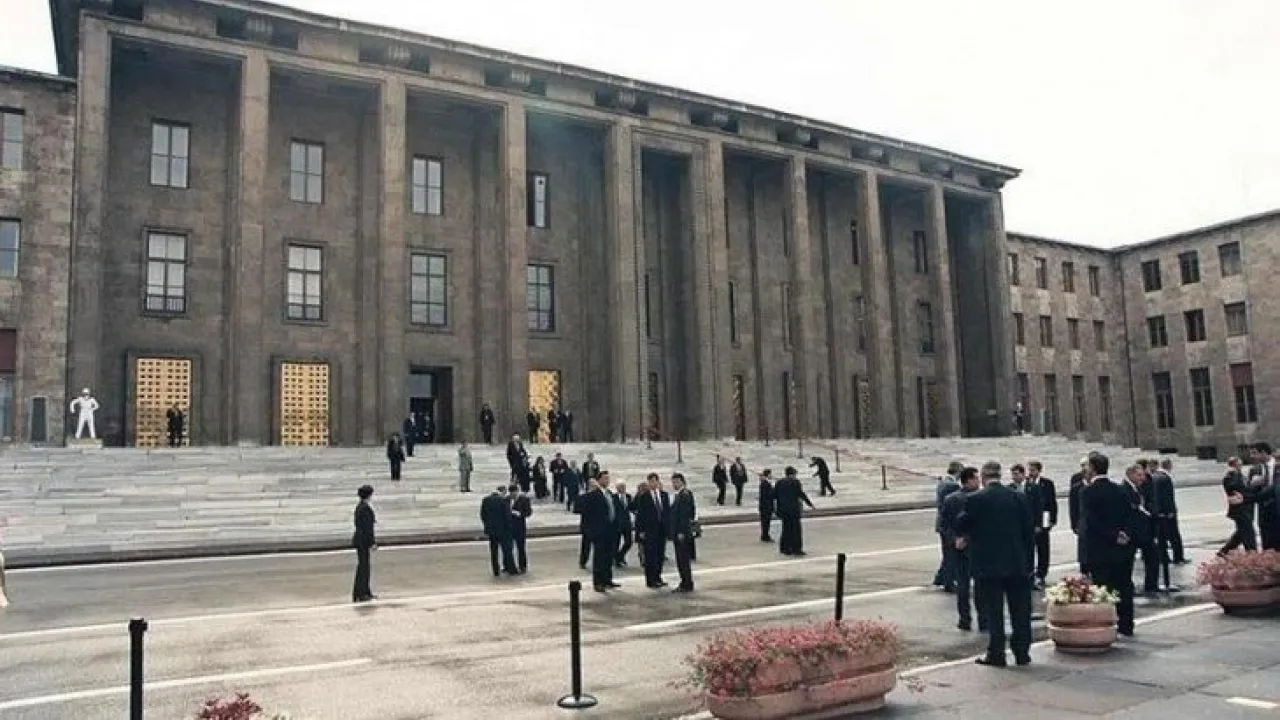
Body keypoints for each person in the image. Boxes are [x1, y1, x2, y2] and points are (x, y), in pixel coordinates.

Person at [955, 461, 1033, 667]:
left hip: (988, 564)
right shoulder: (1018, 497)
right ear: (1000, 476)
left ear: (982, 477)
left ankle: (997, 653)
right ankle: (1022, 652)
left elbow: (962, 524)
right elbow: (1028, 532)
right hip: (1016, 562)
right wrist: (1028, 562)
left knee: (994, 611)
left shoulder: (975, 499)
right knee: (1020, 610)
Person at [1082, 455, 1138, 637]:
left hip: (1100, 548)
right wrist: (1124, 533)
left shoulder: (1088, 492)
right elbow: (1131, 514)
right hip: (1122, 547)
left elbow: (1092, 522)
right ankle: (1126, 624)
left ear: (1093, 468)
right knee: (1124, 586)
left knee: (1103, 589)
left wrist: (1113, 535)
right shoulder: (1120, 489)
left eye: (1087, 466)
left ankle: (1105, 624)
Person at [940, 466, 984, 631]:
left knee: (964, 586)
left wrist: (955, 539)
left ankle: (965, 619)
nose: (979, 481)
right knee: (977, 587)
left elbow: (944, 526)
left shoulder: (950, 499)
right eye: (976, 478)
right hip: (975, 547)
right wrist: (963, 538)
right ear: (969, 480)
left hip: (959, 547)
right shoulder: (978, 498)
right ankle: (982, 619)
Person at [581, 472, 620, 592]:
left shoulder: (610, 494)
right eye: (604, 478)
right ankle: (598, 582)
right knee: (599, 557)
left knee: (609, 556)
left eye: (608, 478)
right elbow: (586, 512)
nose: (607, 481)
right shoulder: (593, 495)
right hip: (599, 531)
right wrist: (590, 530)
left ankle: (607, 579)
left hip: (610, 530)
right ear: (598, 480)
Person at [1026, 460, 1058, 588]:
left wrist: (1052, 519)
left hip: (1044, 517)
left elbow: (1052, 502)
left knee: (1043, 548)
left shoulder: (1047, 483)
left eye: (1033, 470)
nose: (1030, 472)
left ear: (1039, 471)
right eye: (1029, 470)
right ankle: (1030, 573)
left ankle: (1042, 573)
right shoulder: (1026, 483)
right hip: (1030, 521)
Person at [932, 463, 963, 590]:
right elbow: (954, 506)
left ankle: (941, 577)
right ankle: (948, 581)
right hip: (949, 524)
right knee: (951, 554)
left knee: (947, 552)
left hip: (941, 523)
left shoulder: (942, 483)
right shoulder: (953, 485)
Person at [634, 474, 668, 588]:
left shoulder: (664, 495)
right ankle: (650, 580)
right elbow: (640, 515)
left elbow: (667, 512)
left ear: (658, 482)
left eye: (654, 481)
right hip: (649, 530)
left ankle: (658, 577)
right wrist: (641, 531)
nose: (652, 483)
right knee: (650, 556)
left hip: (661, 530)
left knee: (660, 555)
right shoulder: (644, 497)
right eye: (650, 481)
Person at [1219, 456, 1257, 555]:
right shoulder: (1230, 477)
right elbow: (1232, 487)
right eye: (1239, 464)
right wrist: (1234, 473)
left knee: (1241, 532)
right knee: (1248, 532)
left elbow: (1247, 488)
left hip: (1246, 507)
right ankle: (1252, 551)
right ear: (1234, 465)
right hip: (1239, 509)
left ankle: (1225, 551)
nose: (1240, 466)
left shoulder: (1240, 475)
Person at [774, 466, 815, 556]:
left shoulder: (779, 482)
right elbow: (801, 494)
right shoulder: (795, 482)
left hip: (783, 510)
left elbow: (775, 495)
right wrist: (809, 503)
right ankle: (796, 548)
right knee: (796, 530)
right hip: (793, 510)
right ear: (793, 474)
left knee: (786, 529)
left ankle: (785, 548)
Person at [480, 486, 518, 577]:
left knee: (494, 551)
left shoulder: (486, 500)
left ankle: (495, 570)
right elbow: (507, 516)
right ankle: (511, 569)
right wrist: (510, 527)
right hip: (503, 530)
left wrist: (487, 525)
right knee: (507, 550)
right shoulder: (503, 501)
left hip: (491, 530)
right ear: (503, 491)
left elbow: (483, 515)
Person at [668, 473, 696, 593]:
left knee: (682, 559)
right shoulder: (682, 494)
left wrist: (681, 531)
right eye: (673, 482)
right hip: (680, 532)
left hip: (681, 533)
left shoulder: (684, 495)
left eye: (676, 481)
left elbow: (684, 515)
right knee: (681, 559)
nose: (674, 484)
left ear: (682, 482)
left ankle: (686, 583)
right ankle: (685, 581)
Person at [352, 485, 377, 603]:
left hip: (360, 540)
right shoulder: (365, 508)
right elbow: (368, 528)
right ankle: (362, 593)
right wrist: (372, 542)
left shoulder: (360, 507)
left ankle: (362, 592)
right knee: (364, 568)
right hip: (363, 541)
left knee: (363, 567)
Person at [507, 484, 532, 573]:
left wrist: (520, 514)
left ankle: (522, 566)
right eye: (511, 493)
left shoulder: (524, 499)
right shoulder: (506, 499)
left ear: (517, 491)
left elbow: (528, 512)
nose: (512, 495)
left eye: (514, 493)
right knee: (508, 548)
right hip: (509, 527)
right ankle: (508, 566)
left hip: (519, 527)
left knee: (521, 548)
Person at [614, 481, 634, 567]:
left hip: (627, 523)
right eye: (621, 486)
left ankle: (619, 556)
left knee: (629, 542)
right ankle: (617, 560)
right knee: (616, 543)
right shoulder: (613, 497)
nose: (623, 488)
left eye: (624, 486)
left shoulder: (628, 497)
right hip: (617, 524)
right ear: (617, 488)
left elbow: (632, 507)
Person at [758, 469, 776, 542]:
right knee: (766, 522)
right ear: (768, 475)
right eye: (770, 474)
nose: (771, 475)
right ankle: (765, 536)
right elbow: (767, 495)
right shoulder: (765, 483)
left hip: (765, 506)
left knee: (765, 522)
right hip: (766, 506)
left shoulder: (765, 483)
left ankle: (765, 535)